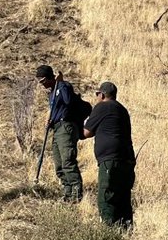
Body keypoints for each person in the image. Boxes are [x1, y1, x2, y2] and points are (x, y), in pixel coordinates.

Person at [83, 81, 135, 229]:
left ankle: (109, 234)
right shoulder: (122, 110)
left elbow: (86, 132)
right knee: (123, 199)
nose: (96, 97)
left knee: (106, 198)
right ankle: (126, 233)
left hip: (110, 160)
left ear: (102, 94)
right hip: (127, 160)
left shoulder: (102, 107)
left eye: (97, 94)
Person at [36, 63, 83, 203]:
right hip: (56, 129)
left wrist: (61, 82)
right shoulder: (51, 93)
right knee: (58, 164)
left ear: (50, 77)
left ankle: (77, 194)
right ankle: (67, 193)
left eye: (43, 81)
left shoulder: (63, 86)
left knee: (68, 160)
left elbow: (68, 101)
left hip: (66, 127)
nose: (42, 84)